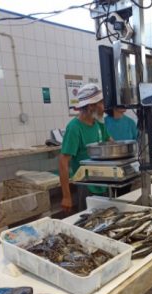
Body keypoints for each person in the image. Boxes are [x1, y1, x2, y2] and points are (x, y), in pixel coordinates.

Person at [59, 83, 112, 213]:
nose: (104, 108)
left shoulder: (98, 125)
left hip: (104, 182)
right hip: (86, 186)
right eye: (101, 103)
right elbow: (63, 162)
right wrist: (66, 196)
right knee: (89, 222)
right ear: (90, 106)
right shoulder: (74, 128)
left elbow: (112, 144)